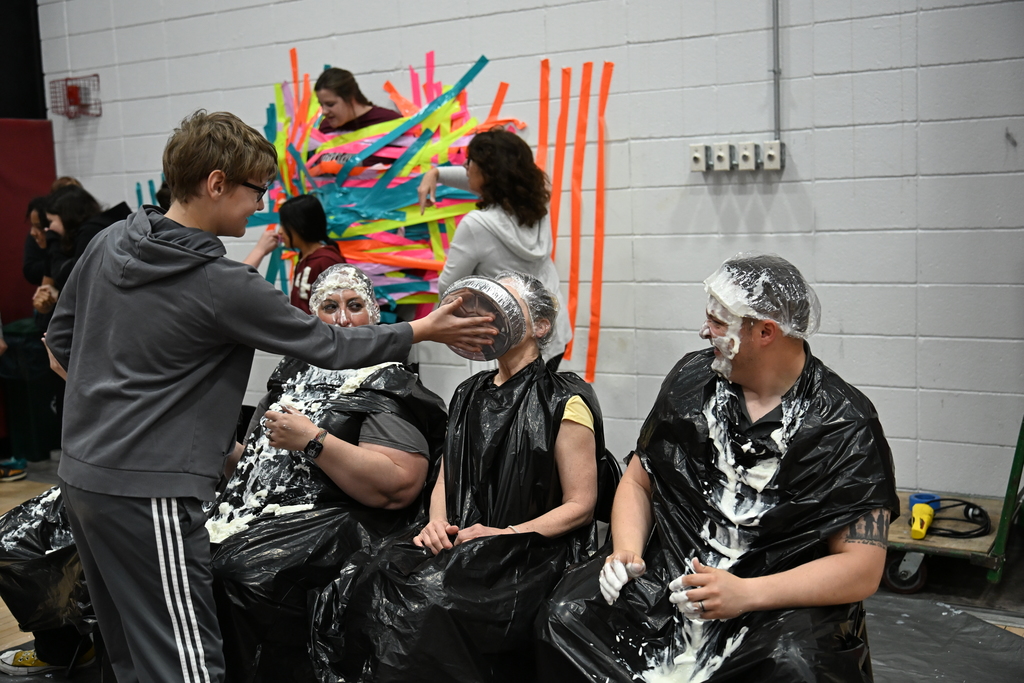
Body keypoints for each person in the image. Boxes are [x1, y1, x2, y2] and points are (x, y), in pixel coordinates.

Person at [43, 110, 496, 683]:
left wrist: (113, 407)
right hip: (149, 488)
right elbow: (327, 345)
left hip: (81, 477)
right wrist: (423, 329)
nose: (260, 206)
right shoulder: (220, 283)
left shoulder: (112, 240)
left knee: (130, 646)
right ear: (215, 183)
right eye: (255, 191)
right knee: (185, 663)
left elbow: (60, 348)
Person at [537, 253, 900, 683]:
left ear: (766, 331)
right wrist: (626, 550)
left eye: (718, 322)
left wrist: (745, 593)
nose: (704, 331)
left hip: (774, 602)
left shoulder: (844, 423)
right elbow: (638, 480)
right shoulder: (691, 379)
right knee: (564, 618)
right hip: (673, 583)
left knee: (799, 669)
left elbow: (862, 568)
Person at [311, 272, 616, 683]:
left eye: (505, 304)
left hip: (530, 551)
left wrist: (504, 534)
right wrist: (436, 522)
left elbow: (581, 507)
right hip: (463, 537)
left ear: (540, 326)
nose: (490, 314)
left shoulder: (565, 399)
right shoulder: (469, 391)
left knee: (426, 604)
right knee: (368, 575)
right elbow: (445, 477)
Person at [209, 263, 447, 682]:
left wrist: (315, 441)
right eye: (329, 308)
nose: (342, 320)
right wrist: (219, 447)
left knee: (238, 573)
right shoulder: (291, 376)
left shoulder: (386, 381)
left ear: (374, 316)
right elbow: (256, 469)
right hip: (262, 516)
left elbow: (398, 485)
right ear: (311, 319)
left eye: (355, 306)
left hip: (340, 520)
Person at [418, 128, 571, 366]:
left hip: (512, 342)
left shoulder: (477, 225)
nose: (466, 167)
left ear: (488, 173)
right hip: (551, 330)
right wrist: (435, 174)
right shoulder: (539, 203)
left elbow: (449, 290)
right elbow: (488, 182)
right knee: (542, 400)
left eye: (470, 162)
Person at [243, 194, 346, 314]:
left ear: (300, 226)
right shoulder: (305, 259)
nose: (280, 231)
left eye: (284, 225)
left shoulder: (327, 262)